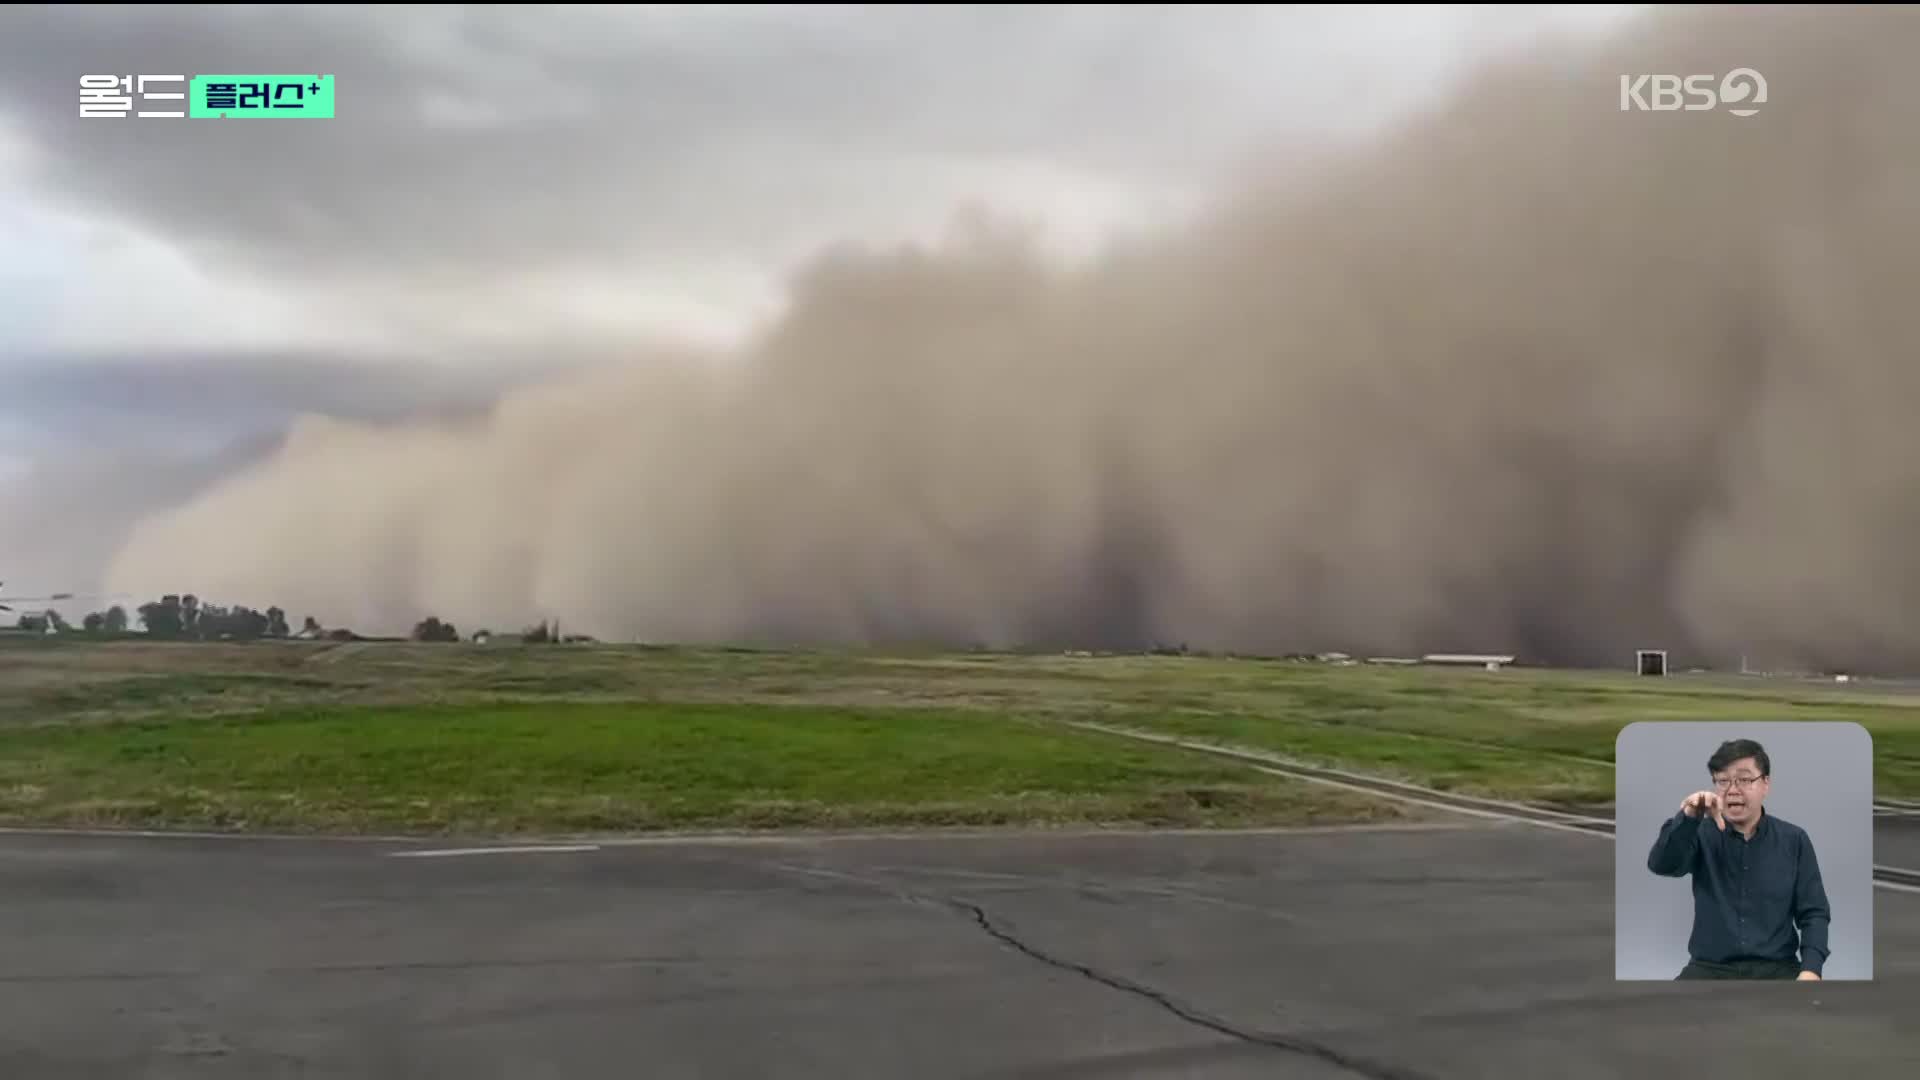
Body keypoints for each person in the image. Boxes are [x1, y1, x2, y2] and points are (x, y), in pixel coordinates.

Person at [1646, 738, 1831, 980]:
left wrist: (1811, 970)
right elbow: (1662, 865)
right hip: (1709, 968)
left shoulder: (1794, 840)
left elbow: (1814, 912)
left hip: (1779, 969)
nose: (1733, 789)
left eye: (1744, 779)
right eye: (1723, 780)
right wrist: (1689, 815)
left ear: (1765, 784)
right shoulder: (1699, 832)